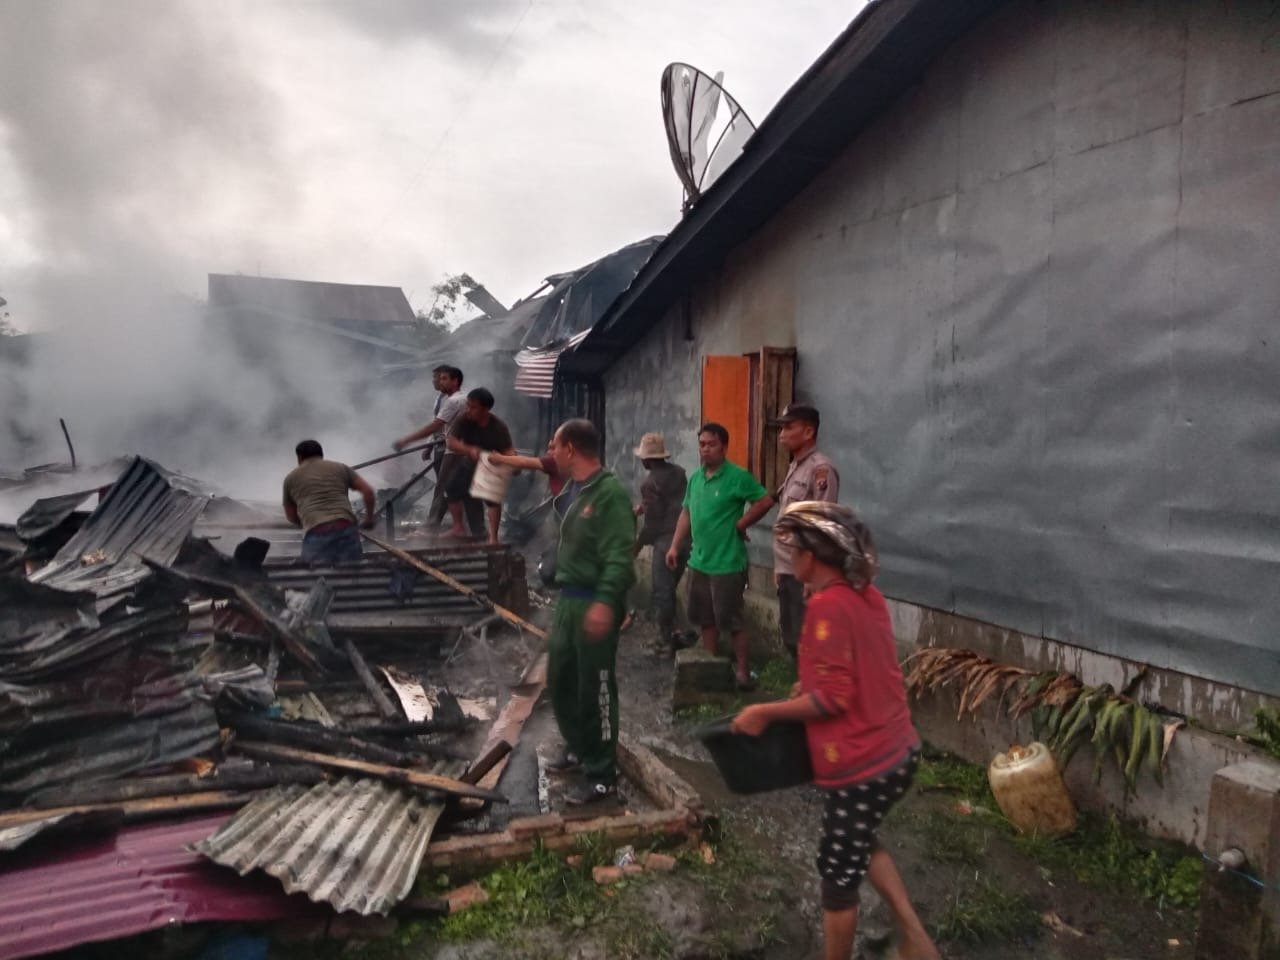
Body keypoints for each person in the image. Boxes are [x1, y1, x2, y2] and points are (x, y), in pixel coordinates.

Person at [731, 502, 937, 960]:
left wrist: (766, 711)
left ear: (812, 556)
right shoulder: (867, 596)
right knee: (861, 842)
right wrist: (813, 680)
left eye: (793, 549)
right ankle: (916, 940)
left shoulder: (827, 608)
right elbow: (860, 665)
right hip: (900, 750)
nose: (789, 557)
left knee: (838, 876)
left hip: (866, 763)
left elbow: (833, 699)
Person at [544, 419, 636, 805]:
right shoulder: (574, 489)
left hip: (594, 600)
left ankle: (601, 776)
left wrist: (606, 601)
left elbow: (619, 554)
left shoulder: (609, 493)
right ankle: (580, 747)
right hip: (568, 600)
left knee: (595, 687)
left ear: (570, 449)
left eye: (554, 445)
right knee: (560, 679)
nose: (550, 451)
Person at [666, 422, 773, 689]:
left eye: (711, 444)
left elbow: (764, 501)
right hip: (698, 561)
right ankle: (710, 666)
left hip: (727, 563)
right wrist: (674, 545)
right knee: (705, 619)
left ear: (724, 447)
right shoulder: (696, 479)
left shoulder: (738, 477)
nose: (705, 449)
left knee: (733, 621)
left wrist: (742, 523)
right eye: (701, 444)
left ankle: (743, 673)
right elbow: (686, 513)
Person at [759, 404, 841, 659]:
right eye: (781, 427)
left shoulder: (820, 469)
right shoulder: (796, 466)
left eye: (788, 427)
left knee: (808, 640)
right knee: (792, 635)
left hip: (805, 572)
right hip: (788, 567)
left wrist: (810, 576)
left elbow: (821, 524)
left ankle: (815, 694)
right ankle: (803, 689)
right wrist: (780, 568)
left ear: (808, 431)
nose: (782, 433)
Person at [633, 432, 688, 655]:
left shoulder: (650, 483)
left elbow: (653, 524)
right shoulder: (678, 473)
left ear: (648, 459)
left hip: (666, 542)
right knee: (670, 589)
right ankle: (673, 634)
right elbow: (673, 505)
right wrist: (643, 507)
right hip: (685, 538)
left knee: (662, 592)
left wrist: (637, 546)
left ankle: (664, 641)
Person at [391, 364, 466, 524]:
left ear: (455, 381)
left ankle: (434, 525)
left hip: (451, 449)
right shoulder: (443, 399)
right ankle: (454, 523)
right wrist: (430, 445)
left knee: (445, 487)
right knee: (448, 487)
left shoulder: (454, 400)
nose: (436, 381)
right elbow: (440, 426)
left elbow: (437, 425)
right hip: (442, 446)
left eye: (441, 378)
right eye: (436, 378)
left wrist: (407, 440)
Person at [283, 439, 377, 563]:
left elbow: (291, 516)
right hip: (346, 529)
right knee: (351, 575)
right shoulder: (341, 468)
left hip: (316, 532)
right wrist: (369, 519)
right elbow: (368, 492)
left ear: (300, 457)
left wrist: (305, 523)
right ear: (321, 454)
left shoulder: (291, 478)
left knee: (317, 577)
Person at [444, 387, 516, 543]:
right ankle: (458, 528)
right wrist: (469, 449)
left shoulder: (498, 427)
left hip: (490, 466)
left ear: (485, 409)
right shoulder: (464, 419)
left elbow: (508, 450)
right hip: (469, 463)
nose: (469, 410)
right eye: (468, 405)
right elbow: (451, 442)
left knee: (492, 500)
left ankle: (493, 538)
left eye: (473, 407)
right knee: (451, 489)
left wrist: (512, 461)